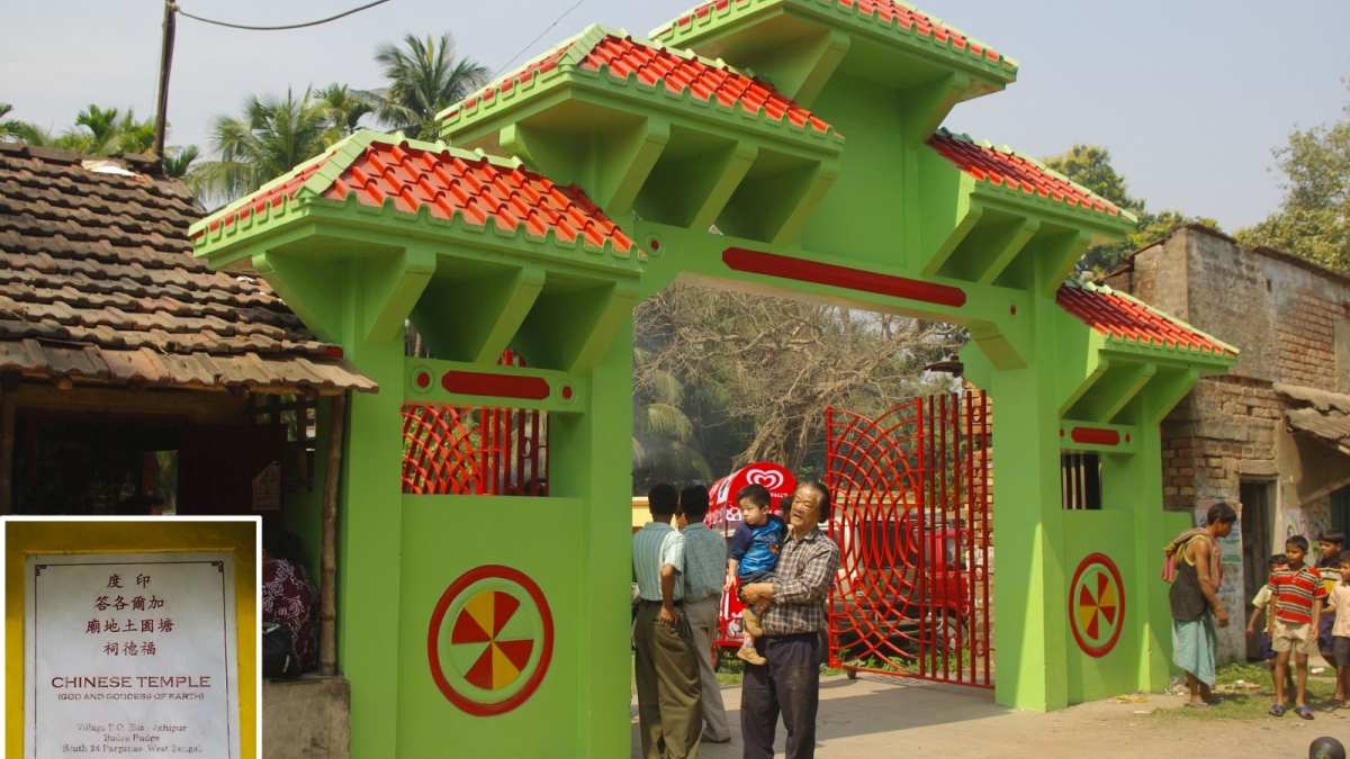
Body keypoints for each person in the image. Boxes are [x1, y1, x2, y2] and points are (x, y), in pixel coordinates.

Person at [739, 481, 840, 759]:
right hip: (760, 645)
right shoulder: (775, 537)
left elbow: (809, 588)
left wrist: (764, 589)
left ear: (820, 514)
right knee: (754, 722)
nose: (798, 507)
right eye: (796, 500)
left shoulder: (824, 548)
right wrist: (747, 588)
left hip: (797, 647)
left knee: (799, 726)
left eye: (807, 504)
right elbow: (748, 573)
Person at [632, 483, 702, 759]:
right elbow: (668, 570)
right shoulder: (675, 538)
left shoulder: (637, 539)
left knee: (650, 692)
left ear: (649, 506)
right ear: (676, 508)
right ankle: (679, 754)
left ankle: (655, 752)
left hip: (644, 615)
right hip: (666, 612)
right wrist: (669, 605)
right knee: (683, 692)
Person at [1164, 502, 1235, 708]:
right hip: (1187, 600)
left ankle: (1206, 691)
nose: (1229, 530)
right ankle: (1194, 695)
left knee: (1205, 644)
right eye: (1228, 525)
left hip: (1198, 601)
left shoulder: (1210, 542)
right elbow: (1203, 579)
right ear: (1219, 522)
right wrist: (1218, 607)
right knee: (1191, 647)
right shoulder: (1201, 543)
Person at [678, 485, 732, 744]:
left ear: (683, 512)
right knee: (701, 666)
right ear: (707, 509)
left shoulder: (681, 540)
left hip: (691, 607)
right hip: (712, 606)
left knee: (701, 669)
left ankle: (718, 727)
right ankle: (704, 723)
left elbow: (677, 578)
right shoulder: (718, 539)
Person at [1268, 535, 1327, 720]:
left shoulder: (1313, 574)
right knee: (1281, 661)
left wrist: (1315, 624)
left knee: (1302, 662)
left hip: (1304, 624)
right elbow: (1273, 599)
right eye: (1288, 551)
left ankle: (1301, 702)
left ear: (1304, 553)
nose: (1291, 555)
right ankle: (1279, 701)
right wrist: (1270, 623)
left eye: (1295, 552)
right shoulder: (1278, 573)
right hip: (1283, 623)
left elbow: (1318, 599)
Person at [727, 484, 786, 666]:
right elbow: (734, 555)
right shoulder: (744, 530)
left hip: (767, 573)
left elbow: (786, 537)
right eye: (742, 510)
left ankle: (747, 647)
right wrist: (731, 577)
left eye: (749, 509)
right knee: (778, 588)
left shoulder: (777, 524)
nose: (744, 514)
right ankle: (751, 613)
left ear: (765, 509)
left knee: (758, 615)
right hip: (751, 574)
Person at [263, 528, 319, 673]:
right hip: (305, 658)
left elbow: (253, 613)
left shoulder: (274, 571)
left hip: (280, 657)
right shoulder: (300, 570)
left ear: (262, 553)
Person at [1245, 553, 1294, 697]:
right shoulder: (1267, 589)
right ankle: (1279, 689)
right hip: (1270, 630)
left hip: (1286, 630)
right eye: (1274, 569)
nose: (1277, 572)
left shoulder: (1292, 587)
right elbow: (1258, 607)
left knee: (1282, 661)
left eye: (1281, 569)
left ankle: (1289, 681)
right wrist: (1251, 625)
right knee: (1272, 662)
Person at [1316, 532, 1345, 664]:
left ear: (1338, 547)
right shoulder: (1320, 563)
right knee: (1325, 650)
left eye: (1326, 545)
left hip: (1342, 611)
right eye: (1321, 545)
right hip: (1325, 611)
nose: (1322, 548)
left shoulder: (1344, 564)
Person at [1326, 550, 1350, 706]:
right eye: (1341, 567)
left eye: (1345, 567)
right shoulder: (1338, 586)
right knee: (1342, 664)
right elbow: (1332, 605)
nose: (1342, 571)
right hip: (1341, 630)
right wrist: (1319, 613)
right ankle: (1342, 693)